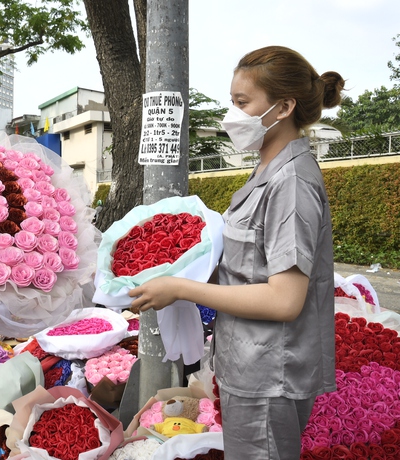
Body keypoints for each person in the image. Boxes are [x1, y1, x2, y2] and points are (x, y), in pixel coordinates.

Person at [129, 46, 343, 458]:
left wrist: (181, 287)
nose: (233, 115)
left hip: (270, 373)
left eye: (243, 103)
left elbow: (284, 299)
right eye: (233, 102)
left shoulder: (292, 183)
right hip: (249, 362)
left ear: (283, 107)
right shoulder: (267, 168)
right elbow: (250, 266)